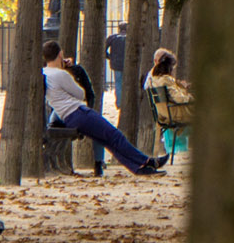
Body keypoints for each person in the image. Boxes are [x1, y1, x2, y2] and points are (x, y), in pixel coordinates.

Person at [43, 41, 167, 176]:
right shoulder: (61, 74)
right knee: (114, 135)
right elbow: (80, 94)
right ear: (60, 54)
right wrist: (67, 70)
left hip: (68, 116)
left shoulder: (45, 72)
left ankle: (139, 168)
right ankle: (148, 162)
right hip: (78, 112)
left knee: (106, 140)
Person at [143, 48, 193, 155]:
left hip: (163, 113)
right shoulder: (165, 79)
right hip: (174, 113)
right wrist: (189, 96)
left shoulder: (153, 78)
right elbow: (179, 99)